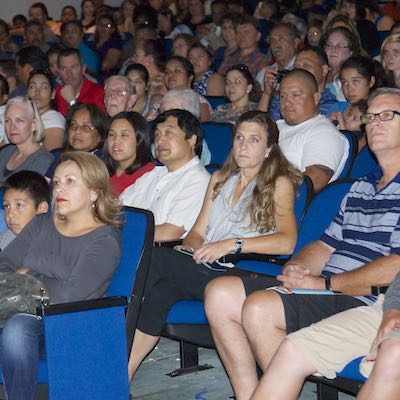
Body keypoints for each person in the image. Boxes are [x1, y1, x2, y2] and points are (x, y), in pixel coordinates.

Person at [236, 87, 400, 400]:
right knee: (250, 306)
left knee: (263, 314)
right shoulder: (361, 186)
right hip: (332, 287)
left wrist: (326, 283)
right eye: (371, 116)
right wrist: (297, 268)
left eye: (388, 115)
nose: (375, 122)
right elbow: (325, 245)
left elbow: (395, 265)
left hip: (368, 297)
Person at [127, 109, 303, 381]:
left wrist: (233, 244)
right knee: (160, 293)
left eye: (254, 140)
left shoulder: (277, 183)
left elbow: (287, 241)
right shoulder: (219, 179)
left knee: (155, 259)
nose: (243, 145)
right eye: (240, 138)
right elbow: (196, 233)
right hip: (209, 265)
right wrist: (190, 248)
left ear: (269, 149)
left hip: (244, 271)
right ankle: (119, 378)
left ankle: (105, 334)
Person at [0, 151, 122, 400]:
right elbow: (3, 265)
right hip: (19, 307)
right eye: (56, 182)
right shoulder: (41, 224)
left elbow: (68, 295)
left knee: (17, 329)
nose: (59, 189)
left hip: (69, 324)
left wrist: (28, 274)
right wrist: (41, 283)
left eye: (70, 181)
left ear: (94, 192)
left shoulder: (104, 239)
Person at [120, 109, 209, 242]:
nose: (160, 140)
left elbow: (170, 232)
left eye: (169, 132)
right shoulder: (152, 175)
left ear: (192, 139)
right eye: (157, 134)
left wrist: (118, 234)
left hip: (164, 255)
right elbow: (117, 209)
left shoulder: (198, 180)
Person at [275, 69, 348, 192]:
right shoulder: (275, 127)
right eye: (283, 96)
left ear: (316, 98)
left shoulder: (324, 133)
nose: (286, 102)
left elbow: (312, 183)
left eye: (295, 95)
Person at [261, 45, 338, 120]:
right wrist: (267, 94)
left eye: (306, 65)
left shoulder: (332, 106)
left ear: (324, 70)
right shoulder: (282, 99)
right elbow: (259, 124)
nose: (300, 71)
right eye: (297, 67)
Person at [0, 97, 53, 185]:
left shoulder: (43, 160)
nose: (12, 127)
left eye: (19, 121)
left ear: (33, 124)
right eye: (7, 121)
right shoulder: (5, 152)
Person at [103, 111, 154, 195]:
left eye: (124, 135)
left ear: (139, 139)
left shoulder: (148, 174)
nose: (116, 141)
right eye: (111, 135)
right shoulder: (101, 171)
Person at [0, 170, 50, 251]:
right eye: (7, 205)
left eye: (19, 205)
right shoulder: (7, 236)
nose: (10, 214)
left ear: (42, 209)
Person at [329, 56, 378, 128]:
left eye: (355, 81)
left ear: (371, 81)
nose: (349, 88)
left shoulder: (375, 113)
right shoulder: (337, 107)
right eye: (344, 82)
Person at [55, 48, 105, 117]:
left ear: (83, 69)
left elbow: (92, 124)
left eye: (73, 67)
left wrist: (72, 101)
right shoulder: (55, 94)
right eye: (64, 68)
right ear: (59, 72)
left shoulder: (98, 92)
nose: (69, 73)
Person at [256, 23, 300, 101]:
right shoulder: (263, 74)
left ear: (295, 42)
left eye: (281, 38)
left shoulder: (303, 71)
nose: (276, 44)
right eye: (272, 40)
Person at [27, 69, 65, 151]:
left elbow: (51, 159)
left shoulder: (54, 120)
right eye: (32, 87)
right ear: (27, 93)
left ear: (53, 94)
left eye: (43, 87)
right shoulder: (24, 118)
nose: (37, 93)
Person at [164, 56, 211, 121]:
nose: (170, 74)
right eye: (167, 72)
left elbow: (199, 127)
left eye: (177, 71)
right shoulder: (160, 101)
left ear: (190, 77)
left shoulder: (198, 101)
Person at [322, 27, 361, 101]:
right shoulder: (318, 72)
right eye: (329, 45)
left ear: (351, 51)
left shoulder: (356, 75)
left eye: (339, 46)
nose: (333, 49)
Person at [92, 14, 122, 80]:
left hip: (106, 78)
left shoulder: (115, 43)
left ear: (113, 29)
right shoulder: (91, 43)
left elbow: (108, 64)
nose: (103, 27)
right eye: (101, 25)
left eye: (108, 25)